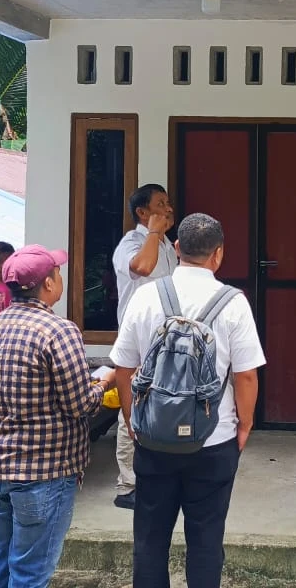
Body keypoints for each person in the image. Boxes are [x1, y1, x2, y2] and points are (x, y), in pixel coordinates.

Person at [111, 213, 266, 588]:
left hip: (153, 439)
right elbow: (246, 375)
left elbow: (123, 367)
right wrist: (244, 426)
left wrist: (133, 421)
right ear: (219, 254)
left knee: (149, 540)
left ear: (177, 248)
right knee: (206, 540)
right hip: (214, 438)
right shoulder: (233, 303)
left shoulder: (147, 296)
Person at [0, 244, 114, 588]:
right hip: (44, 473)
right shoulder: (59, 331)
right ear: (48, 284)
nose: (60, 279)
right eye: (58, 273)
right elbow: (80, 405)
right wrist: (104, 383)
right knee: (30, 573)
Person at [109, 183, 178, 510]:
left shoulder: (165, 245)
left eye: (168, 203)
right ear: (142, 212)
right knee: (133, 406)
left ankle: (153, 477)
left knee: (161, 404)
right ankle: (127, 486)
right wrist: (153, 232)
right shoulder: (132, 242)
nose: (168, 209)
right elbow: (142, 267)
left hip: (164, 337)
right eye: (160, 204)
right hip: (137, 340)